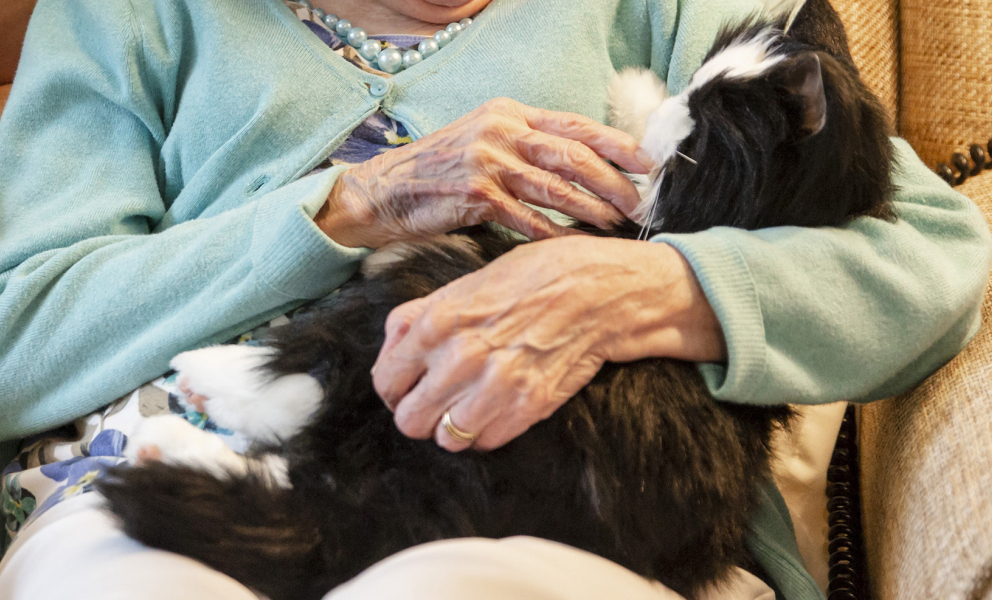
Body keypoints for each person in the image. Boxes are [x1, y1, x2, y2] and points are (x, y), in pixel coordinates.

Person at [0, 0, 988, 598]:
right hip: (181, 467)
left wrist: (650, 287)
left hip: (558, 504)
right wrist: (354, 203)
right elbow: (18, 334)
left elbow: (928, 258)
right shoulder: (131, 17)